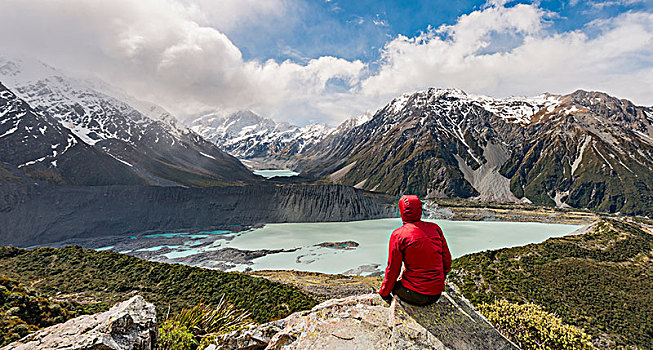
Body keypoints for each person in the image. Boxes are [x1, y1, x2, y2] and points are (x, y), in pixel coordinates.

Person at [378, 195, 452, 305]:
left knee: (395, 286)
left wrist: (384, 292)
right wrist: (439, 281)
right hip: (436, 294)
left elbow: (393, 269)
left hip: (414, 294)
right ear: (420, 210)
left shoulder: (398, 235)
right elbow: (447, 259)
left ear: (402, 211)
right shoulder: (435, 228)